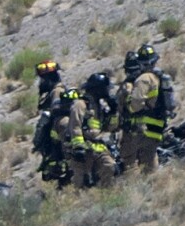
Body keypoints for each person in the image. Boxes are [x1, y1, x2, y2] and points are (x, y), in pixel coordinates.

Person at [118, 43, 177, 172]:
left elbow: (135, 105)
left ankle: (132, 188)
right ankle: (154, 185)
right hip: (155, 128)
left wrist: (126, 102)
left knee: (130, 162)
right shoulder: (159, 78)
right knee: (150, 161)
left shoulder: (144, 79)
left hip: (141, 128)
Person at [53, 88, 116, 188]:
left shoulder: (97, 107)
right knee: (79, 181)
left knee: (109, 166)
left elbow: (110, 127)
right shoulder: (74, 110)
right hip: (78, 151)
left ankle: (106, 193)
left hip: (97, 147)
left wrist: (113, 112)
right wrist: (78, 147)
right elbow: (74, 128)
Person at [82, 72, 122, 174]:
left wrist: (113, 112)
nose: (107, 91)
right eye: (105, 89)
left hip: (98, 145)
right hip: (86, 147)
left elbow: (111, 128)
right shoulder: (82, 105)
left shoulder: (99, 105)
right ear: (98, 89)